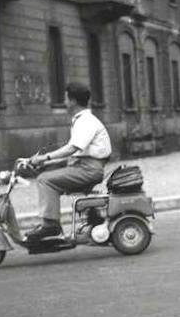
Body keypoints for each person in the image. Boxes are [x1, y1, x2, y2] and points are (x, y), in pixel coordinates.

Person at [20, 82, 113, 241]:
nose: (64, 102)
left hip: (88, 170)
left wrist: (44, 157)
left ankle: (51, 225)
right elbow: (75, 153)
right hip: (84, 167)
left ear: (73, 101)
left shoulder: (86, 121)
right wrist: (45, 164)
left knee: (45, 180)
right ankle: (93, 218)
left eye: (66, 98)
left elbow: (72, 148)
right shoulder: (82, 119)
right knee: (46, 175)